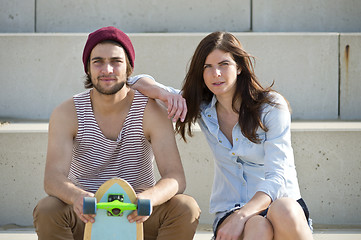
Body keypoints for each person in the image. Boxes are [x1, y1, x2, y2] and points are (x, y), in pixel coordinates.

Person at [131, 31, 313, 240]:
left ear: (240, 67)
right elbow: (133, 81)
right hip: (231, 209)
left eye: (224, 64)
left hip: (280, 206)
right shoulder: (203, 108)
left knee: (283, 209)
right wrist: (166, 94)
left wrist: (242, 215)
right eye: (207, 67)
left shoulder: (271, 106)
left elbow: (278, 176)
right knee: (257, 226)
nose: (215, 73)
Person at [32, 26, 200, 240]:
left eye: (116, 61)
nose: (107, 70)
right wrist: (77, 197)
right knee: (48, 209)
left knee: (186, 207)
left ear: (129, 68)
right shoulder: (67, 112)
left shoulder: (151, 111)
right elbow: (53, 178)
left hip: (137, 217)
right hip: (87, 216)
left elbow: (175, 177)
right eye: (98, 62)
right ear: (88, 68)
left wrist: (149, 198)